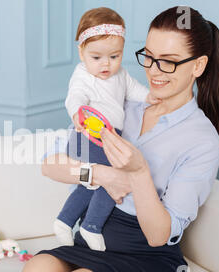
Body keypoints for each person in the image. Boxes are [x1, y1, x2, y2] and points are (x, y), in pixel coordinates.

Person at [20, 6, 219, 272]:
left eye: (168, 62)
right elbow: (51, 166)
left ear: (198, 66)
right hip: (91, 240)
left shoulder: (202, 139)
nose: (154, 71)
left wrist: (138, 172)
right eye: (149, 57)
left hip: (146, 256)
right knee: (36, 270)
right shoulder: (120, 106)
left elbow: (159, 236)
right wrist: (100, 174)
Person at [55, 7, 159, 251]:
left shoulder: (120, 75)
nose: (106, 64)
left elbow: (135, 91)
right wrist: (77, 113)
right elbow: (75, 97)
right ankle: (91, 226)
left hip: (109, 137)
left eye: (114, 56)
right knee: (115, 178)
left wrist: (150, 98)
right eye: (97, 57)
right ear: (81, 52)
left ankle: (65, 220)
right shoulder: (82, 76)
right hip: (89, 135)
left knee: (92, 183)